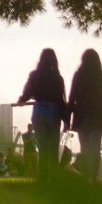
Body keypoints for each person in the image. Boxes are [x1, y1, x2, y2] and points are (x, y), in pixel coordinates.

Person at [16, 49, 67, 180]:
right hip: (53, 111)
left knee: (42, 147)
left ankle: (42, 176)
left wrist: (22, 100)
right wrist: (66, 120)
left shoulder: (34, 75)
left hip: (38, 111)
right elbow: (62, 100)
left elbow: (27, 92)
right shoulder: (58, 78)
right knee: (53, 147)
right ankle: (54, 177)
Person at [67, 48, 102, 180]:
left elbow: (71, 98)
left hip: (82, 117)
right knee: (95, 148)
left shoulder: (78, 76)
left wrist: (66, 118)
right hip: (99, 117)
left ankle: (85, 176)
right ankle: (92, 177)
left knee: (85, 148)